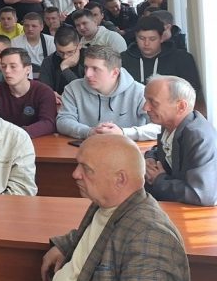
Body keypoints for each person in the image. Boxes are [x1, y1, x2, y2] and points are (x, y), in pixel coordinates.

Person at [16, 134, 189, 281]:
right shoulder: (106, 202)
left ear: (120, 179)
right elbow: (99, 235)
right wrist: (65, 244)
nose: (75, 174)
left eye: (86, 169)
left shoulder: (149, 233)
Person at [56, 45, 159, 141]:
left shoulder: (140, 91)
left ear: (115, 73)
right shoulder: (73, 88)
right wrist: (89, 132)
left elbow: (159, 126)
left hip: (127, 149)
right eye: (86, 67)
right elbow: (63, 120)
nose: (87, 74)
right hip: (86, 148)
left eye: (95, 69)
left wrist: (123, 132)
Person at [143, 76, 217, 206]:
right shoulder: (169, 125)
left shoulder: (198, 137)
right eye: (146, 100)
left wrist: (159, 180)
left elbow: (201, 195)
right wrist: (150, 158)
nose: (145, 107)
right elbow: (161, 149)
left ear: (181, 106)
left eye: (153, 102)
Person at [121, 16, 203, 105]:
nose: (146, 43)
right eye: (141, 38)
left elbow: (191, 91)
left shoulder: (182, 58)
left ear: (161, 38)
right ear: (136, 37)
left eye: (152, 39)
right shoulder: (123, 59)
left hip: (169, 109)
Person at [0, 48, 57, 138]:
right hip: (2, 140)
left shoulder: (44, 92)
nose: (7, 71)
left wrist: (18, 133)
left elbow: (48, 123)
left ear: (28, 69)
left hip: (35, 141)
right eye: (3, 66)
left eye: (13, 66)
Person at [39, 26, 86, 102]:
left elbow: (84, 92)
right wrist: (50, 94)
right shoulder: (48, 61)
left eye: (70, 52)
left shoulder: (89, 60)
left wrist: (65, 68)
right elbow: (43, 89)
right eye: (60, 52)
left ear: (79, 46)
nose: (65, 57)